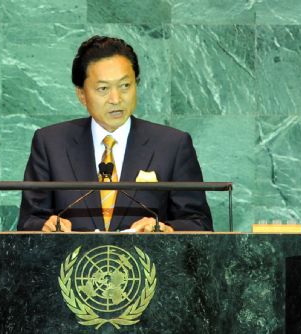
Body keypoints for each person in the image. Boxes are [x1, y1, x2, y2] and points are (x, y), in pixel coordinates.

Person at [18, 35, 212, 233]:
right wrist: (45, 226)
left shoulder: (172, 145)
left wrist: (166, 229)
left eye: (125, 86)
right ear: (82, 95)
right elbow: (28, 221)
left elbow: (199, 223)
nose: (116, 99)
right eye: (103, 88)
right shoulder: (51, 144)